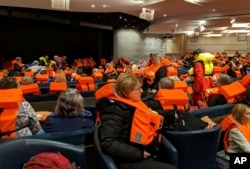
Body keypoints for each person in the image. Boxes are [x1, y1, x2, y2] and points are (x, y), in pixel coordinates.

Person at [95, 72, 176, 169]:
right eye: (138, 89)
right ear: (128, 91)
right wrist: (139, 153)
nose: (142, 91)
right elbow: (108, 143)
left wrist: (172, 114)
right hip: (128, 159)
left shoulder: (131, 103)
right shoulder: (113, 110)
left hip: (144, 150)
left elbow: (150, 113)